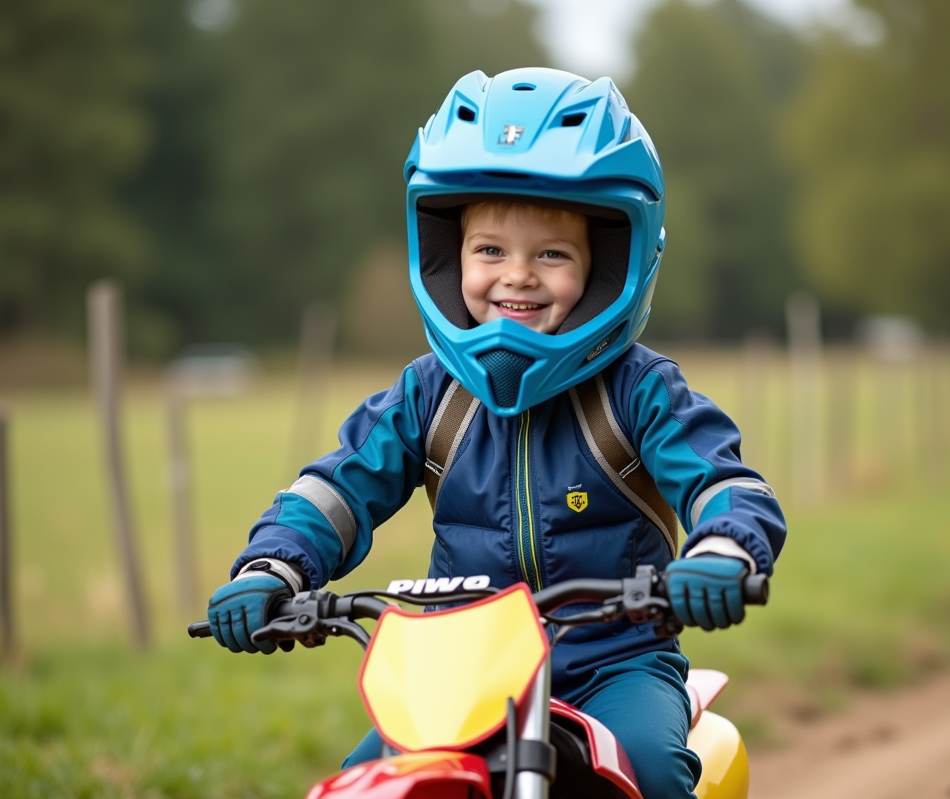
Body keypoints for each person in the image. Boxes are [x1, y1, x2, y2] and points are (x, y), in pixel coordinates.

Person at [205, 67, 787, 799]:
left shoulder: (640, 393)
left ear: (610, 267)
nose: (517, 277)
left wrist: (723, 551)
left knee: (653, 772)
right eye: (489, 251)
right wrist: (273, 567)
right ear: (448, 257)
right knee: (361, 783)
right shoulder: (427, 396)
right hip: (459, 668)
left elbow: (726, 484)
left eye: (552, 254)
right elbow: (338, 486)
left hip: (617, 661)